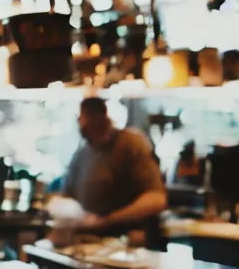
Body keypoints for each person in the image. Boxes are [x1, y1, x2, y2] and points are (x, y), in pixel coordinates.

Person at [63, 97, 168, 247]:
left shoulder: (130, 144)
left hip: (127, 246)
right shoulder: (82, 154)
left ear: (101, 116)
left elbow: (156, 199)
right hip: (90, 246)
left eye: (84, 116)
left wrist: (108, 220)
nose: (80, 121)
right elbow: (67, 198)